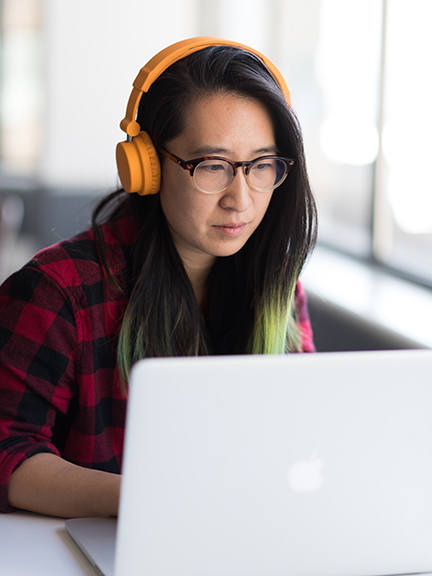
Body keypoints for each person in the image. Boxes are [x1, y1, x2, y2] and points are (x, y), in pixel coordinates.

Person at [0, 37, 317, 518]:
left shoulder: (277, 287)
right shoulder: (57, 291)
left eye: (260, 166)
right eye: (212, 166)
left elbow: (304, 432)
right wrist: (154, 501)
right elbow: (7, 449)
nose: (241, 198)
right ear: (145, 167)